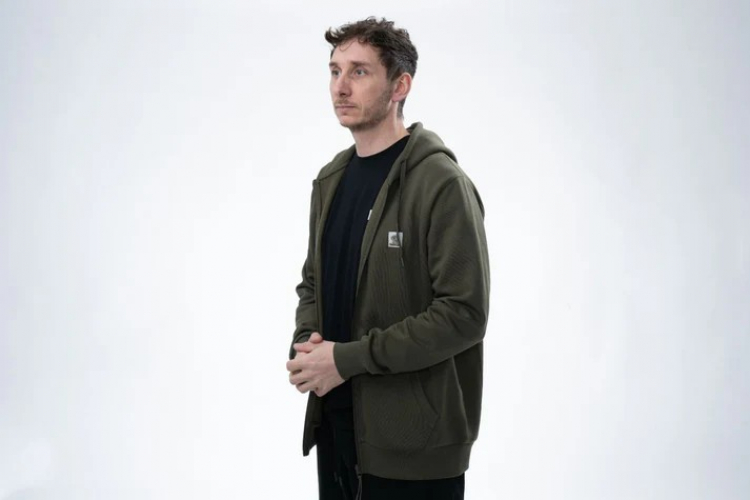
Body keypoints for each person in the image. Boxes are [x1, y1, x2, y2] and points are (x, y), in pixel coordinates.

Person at [286, 17, 490, 500]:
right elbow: (313, 282)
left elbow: (463, 314)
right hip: (337, 428)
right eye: (334, 71)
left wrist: (347, 359)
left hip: (416, 447)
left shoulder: (440, 184)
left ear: (400, 86)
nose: (340, 87)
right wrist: (308, 347)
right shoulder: (330, 180)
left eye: (359, 72)